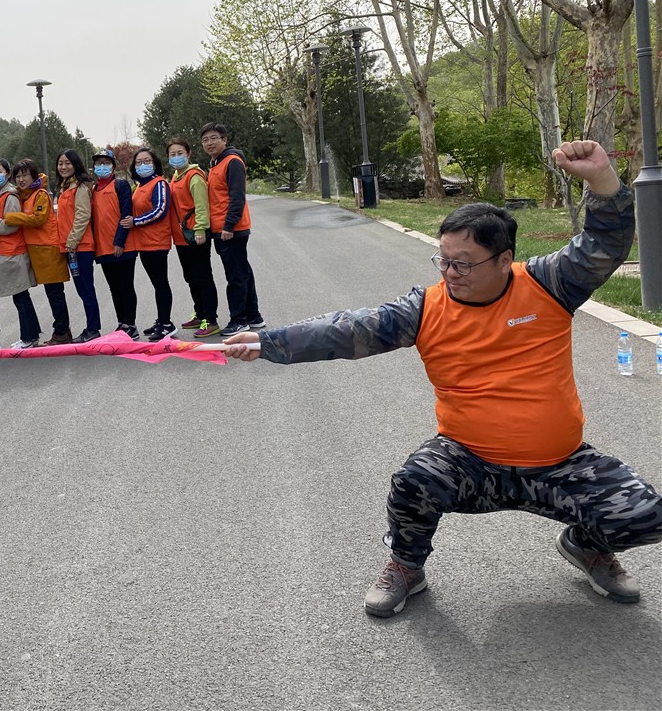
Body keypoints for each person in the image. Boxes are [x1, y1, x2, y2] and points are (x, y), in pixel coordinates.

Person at [224, 140, 662, 618]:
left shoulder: (550, 283)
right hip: (469, 462)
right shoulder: (425, 308)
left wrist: (601, 180)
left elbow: (605, 245)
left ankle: (585, 545)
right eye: (444, 260)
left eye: (464, 263)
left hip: (560, 464)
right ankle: (407, 567)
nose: (450, 273)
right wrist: (268, 342)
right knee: (414, 481)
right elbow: (346, 330)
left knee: (647, 515)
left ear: (504, 260)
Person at [201, 122, 265, 335]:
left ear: (224, 140)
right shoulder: (215, 163)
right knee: (243, 271)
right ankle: (253, 316)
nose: (209, 143)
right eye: (205, 140)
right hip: (224, 228)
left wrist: (228, 225)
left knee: (235, 276)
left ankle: (239, 320)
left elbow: (237, 197)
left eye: (214, 138)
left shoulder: (232, 162)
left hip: (231, 229)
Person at [3, 159, 73, 345]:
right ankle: (62, 331)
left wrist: (11, 218)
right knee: (52, 293)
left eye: (25, 175)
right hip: (37, 251)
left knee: (55, 293)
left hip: (48, 250)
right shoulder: (25, 195)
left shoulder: (40, 194)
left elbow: (38, 219)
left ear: (33, 176)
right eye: (17, 176)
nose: (21, 179)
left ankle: (62, 332)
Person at [0, 158, 40, 349]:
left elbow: (11, 225)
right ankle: (31, 335)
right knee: (20, 296)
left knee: (20, 296)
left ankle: (28, 338)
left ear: (7, 174)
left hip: (14, 252)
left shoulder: (10, 196)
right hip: (8, 251)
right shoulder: (1, 195)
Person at [166, 137, 219, 338]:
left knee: (202, 277)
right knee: (191, 278)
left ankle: (210, 320)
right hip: (182, 238)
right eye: (172, 154)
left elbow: (202, 206)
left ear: (188, 154)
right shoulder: (175, 176)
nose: (176, 157)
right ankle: (200, 313)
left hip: (196, 236)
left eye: (180, 153)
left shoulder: (194, 177)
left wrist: (200, 229)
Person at [121, 146, 175, 341]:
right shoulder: (139, 186)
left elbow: (160, 210)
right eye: (138, 162)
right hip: (143, 243)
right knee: (157, 283)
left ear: (154, 163)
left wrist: (135, 221)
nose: (142, 165)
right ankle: (161, 320)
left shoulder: (159, 184)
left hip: (156, 242)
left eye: (147, 161)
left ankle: (166, 324)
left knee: (161, 283)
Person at [90, 147, 139, 339]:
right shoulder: (93, 190)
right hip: (103, 248)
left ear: (113, 166)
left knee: (125, 286)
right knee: (114, 288)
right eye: (98, 163)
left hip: (123, 247)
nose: (101, 166)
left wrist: (119, 241)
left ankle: (131, 324)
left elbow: (126, 213)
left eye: (105, 163)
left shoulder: (120, 185)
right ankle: (122, 323)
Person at [55, 149, 102, 343]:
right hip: (71, 248)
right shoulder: (65, 187)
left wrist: (72, 241)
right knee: (83, 290)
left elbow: (83, 215)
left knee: (86, 289)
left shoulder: (81, 187)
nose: (63, 167)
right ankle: (92, 327)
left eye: (67, 163)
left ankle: (93, 329)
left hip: (80, 247)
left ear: (75, 164)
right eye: (60, 163)